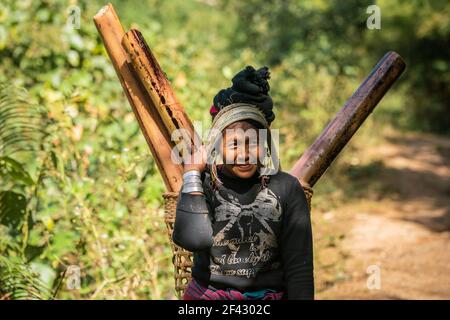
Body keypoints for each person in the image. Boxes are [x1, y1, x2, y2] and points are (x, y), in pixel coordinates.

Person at [172, 66, 314, 300]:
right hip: (209, 296)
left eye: (253, 143)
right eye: (235, 145)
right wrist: (191, 175)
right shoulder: (205, 185)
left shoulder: (286, 188)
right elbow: (193, 239)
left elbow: (299, 267)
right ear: (216, 147)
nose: (244, 154)